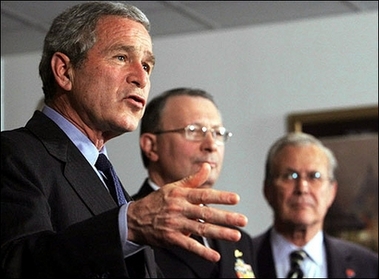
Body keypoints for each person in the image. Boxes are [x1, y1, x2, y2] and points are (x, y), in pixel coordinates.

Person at [0, 2, 248, 278]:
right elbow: (15, 264)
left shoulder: (109, 182)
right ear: (64, 71)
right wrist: (128, 226)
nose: (141, 78)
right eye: (121, 57)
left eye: (146, 65)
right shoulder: (13, 154)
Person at [132, 87, 256, 278]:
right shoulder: (129, 226)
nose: (211, 145)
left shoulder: (239, 240)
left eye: (217, 133)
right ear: (151, 146)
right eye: (194, 131)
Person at [250, 132, 378, 278]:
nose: (302, 188)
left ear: (332, 192)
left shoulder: (369, 267)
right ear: (267, 190)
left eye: (314, 176)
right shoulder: (241, 260)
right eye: (290, 176)